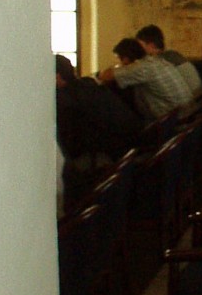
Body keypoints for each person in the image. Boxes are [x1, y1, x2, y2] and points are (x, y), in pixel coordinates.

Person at [55, 53, 144, 208]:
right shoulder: (89, 84)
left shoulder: (64, 100)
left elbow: (71, 146)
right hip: (126, 151)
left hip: (102, 158)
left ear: (57, 77)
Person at [98, 37, 194, 120]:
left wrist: (117, 66)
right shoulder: (156, 61)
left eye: (119, 58)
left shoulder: (141, 68)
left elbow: (105, 76)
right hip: (187, 116)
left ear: (125, 58)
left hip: (172, 122)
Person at [135, 23, 202, 99]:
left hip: (189, 103)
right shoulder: (173, 55)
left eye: (140, 46)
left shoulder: (160, 61)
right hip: (200, 102)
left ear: (152, 45)